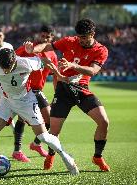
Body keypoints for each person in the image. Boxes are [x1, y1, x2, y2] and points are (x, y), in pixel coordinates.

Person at [0, 48, 79, 179]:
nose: (6, 71)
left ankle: (67, 158)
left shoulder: (26, 62)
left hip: (26, 101)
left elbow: (45, 61)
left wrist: (60, 75)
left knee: (43, 137)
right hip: (7, 101)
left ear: (15, 60)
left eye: (9, 67)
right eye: (3, 68)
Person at [26, 18, 111, 171]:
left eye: (84, 37)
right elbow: (47, 45)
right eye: (79, 37)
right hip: (63, 90)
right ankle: (51, 154)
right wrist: (34, 49)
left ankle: (97, 157)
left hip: (82, 90)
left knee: (104, 121)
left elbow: (93, 71)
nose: (81, 40)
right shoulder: (69, 41)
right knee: (54, 131)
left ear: (93, 34)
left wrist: (73, 65)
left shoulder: (101, 50)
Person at [11, 25, 58, 162]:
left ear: (52, 38)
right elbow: (12, 57)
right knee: (22, 119)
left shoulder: (53, 54)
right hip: (25, 89)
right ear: (39, 35)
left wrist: (57, 92)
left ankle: (36, 144)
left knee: (49, 120)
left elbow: (55, 74)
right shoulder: (29, 48)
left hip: (38, 90)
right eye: (42, 36)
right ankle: (17, 151)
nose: (44, 39)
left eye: (47, 37)